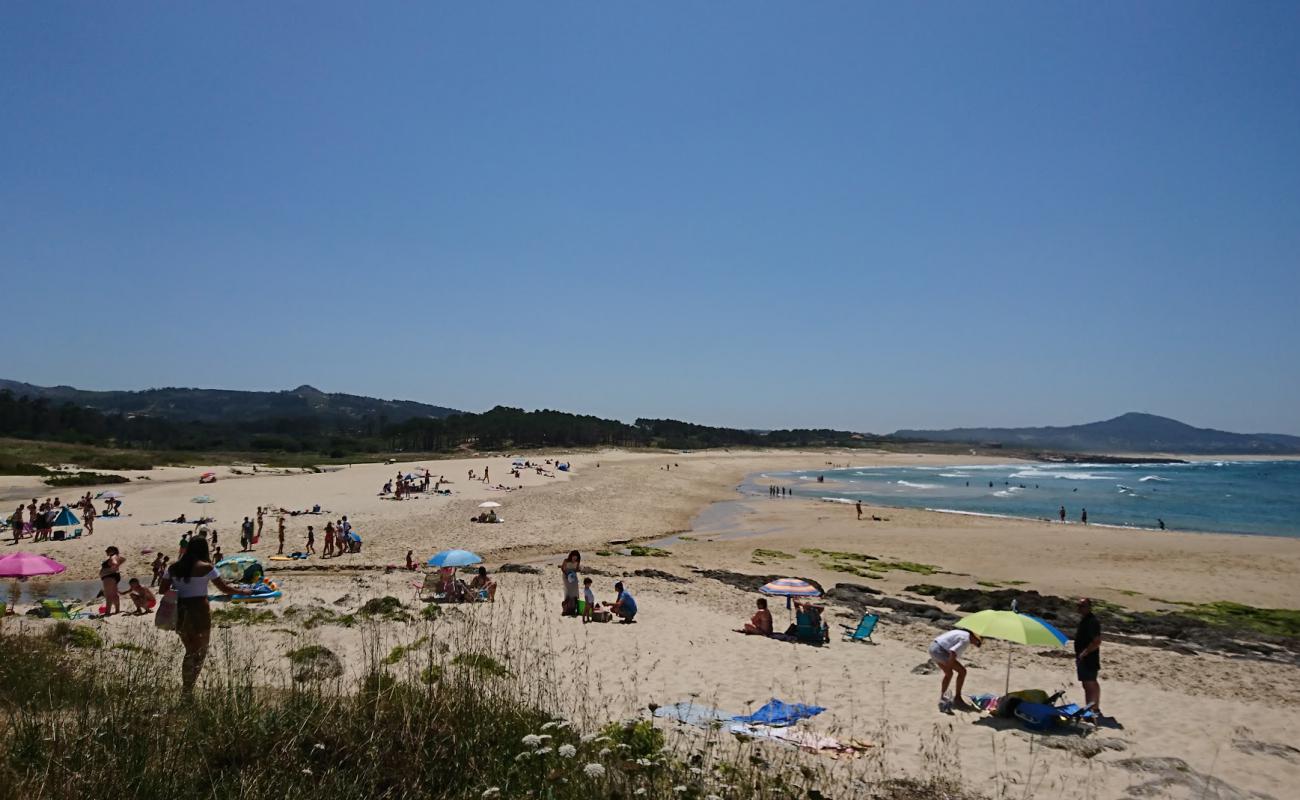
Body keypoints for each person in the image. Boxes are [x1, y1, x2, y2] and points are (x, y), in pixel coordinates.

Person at [158, 537, 237, 695]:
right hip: (200, 611)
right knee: (200, 652)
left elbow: (162, 590)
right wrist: (243, 592)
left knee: (189, 651)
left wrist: (179, 585)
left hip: (180, 611)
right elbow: (224, 589)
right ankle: (188, 690)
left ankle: (187, 688)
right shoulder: (207, 567)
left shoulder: (174, 567)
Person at [928, 628, 982, 712]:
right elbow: (953, 652)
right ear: (973, 636)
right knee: (962, 671)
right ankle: (957, 698)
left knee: (949, 673)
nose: (975, 644)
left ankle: (943, 697)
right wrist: (949, 664)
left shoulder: (961, 633)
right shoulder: (965, 639)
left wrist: (949, 665)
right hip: (940, 651)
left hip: (933, 647)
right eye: (977, 642)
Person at [1074, 598, 1104, 717]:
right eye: (1079, 606)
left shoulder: (1092, 621)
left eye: (1082, 606)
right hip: (1084, 657)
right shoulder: (1086, 620)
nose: (1080, 608)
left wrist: (1084, 653)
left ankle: (1092, 709)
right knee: (1088, 683)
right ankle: (1093, 707)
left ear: (1089, 607)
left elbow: (1097, 641)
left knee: (1089, 683)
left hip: (1088, 658)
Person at [98, 546, 126, 615]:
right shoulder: (117, 556)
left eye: (108, 550)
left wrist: (111, 569)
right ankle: (117, 610)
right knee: (114, 594)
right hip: (113, 577)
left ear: (113, 551)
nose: (106, 551)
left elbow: (115, 563)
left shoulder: (113, 557)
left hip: (109, 577)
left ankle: (107, 612)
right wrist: (115, 568)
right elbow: (123, 559)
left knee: (108, 595)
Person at [560, 551, 581, 616]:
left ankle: (573, 609)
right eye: (573, 557)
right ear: (571, 556)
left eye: (576, 557)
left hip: (573, 576)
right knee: (568, 592)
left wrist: (578, 570)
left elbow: (576, 569)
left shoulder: (577, 562)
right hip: (566, 576)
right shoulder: (566, 561)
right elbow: (562, 568)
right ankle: (566, 609)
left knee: (574, 592)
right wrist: (567, 573)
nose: (574, 558)